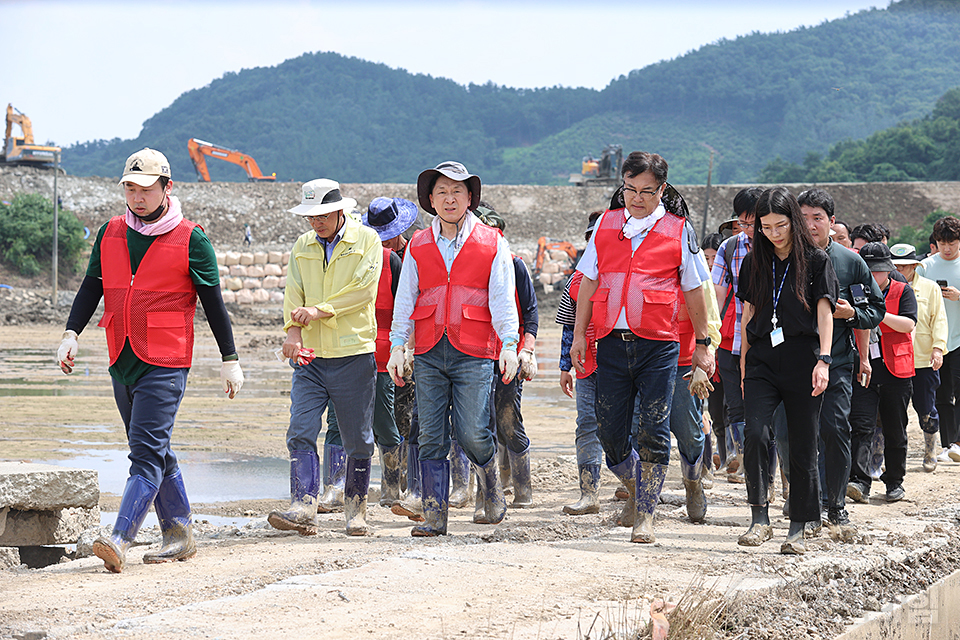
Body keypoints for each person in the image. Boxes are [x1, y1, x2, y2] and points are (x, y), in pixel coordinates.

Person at [57, 148, 244, 573]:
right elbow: (91, 288)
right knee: (153, 449)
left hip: (165, 358)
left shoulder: (191, 238)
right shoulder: (109, 233)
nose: (137, 197)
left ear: (167, 187)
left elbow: (213, 304)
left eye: (145, 189)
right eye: (129, 188)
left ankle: (119, 538)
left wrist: (229, 358)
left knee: (144, 454)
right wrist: (71, 333)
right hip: (120, 355)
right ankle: (179, 533)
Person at [570, 151, 713, 544]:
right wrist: (581, 334)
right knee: (610, 433)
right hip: (612, 343)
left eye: (646, 191)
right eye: (629, 189)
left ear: (661, 190)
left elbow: (694, 290)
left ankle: (646, 515)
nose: (636, 198)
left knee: (653, 428)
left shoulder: (677, 230)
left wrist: (702, 343)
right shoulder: (606, 225)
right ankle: (636, 489)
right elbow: (588, 282)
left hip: (659, 345)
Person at [387, 161, 520, 536]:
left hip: (475, 350)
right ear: (430, 199)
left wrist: (509, 343)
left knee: (473, 432)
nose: (449, 198)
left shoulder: (493, 242)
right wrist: (399, 344)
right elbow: (405, 299)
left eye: (457, 192)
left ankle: (491, 488)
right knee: (429, 434)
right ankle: (434, 515)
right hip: (430, 349)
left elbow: (503, 299)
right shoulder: (418, 245)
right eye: (442, 191)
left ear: (470, 199)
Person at [268, 179, 382, 537]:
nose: (315, 223)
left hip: (353, 354)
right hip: (311, 358)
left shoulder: (367, 242)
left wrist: (321, 310)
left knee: (357, 438)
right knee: (300, 429)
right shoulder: (302, 246)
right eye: (309, 216)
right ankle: (303, 504)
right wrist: (292, 331)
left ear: (339, 211)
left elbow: (363, 291)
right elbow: (293, 292)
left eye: (321, 215)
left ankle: (356, 508)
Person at [736, 187, 837, 556]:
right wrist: (745, 362)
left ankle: (798, 524)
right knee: (756, 435)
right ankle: (758, 518)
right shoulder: (753, 263)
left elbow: (824, 312)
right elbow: (748, 315)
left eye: (781, 225)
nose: (775, 233)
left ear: (793, 221)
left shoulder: (817, 261)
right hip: (762, 357)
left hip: (803, 358)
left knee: (802, 441)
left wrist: (824, 360)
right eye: (766, 227)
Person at [784, 188, 885, 528]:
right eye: (804, 218)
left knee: (834, 429)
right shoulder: (784, 258)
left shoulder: (849, 261)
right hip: (793, 363)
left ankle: (835, 503)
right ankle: (803, 501)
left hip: (838, 361)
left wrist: (851, 314)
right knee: (794, 435)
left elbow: (876, 309)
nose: (810, 226)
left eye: (818, 218)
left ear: (832, 220)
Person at [475, 202, 539, 508]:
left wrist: (527, 349)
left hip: (508, 356)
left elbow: (530, 312)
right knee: (479, 423)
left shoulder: (514, 265)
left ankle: (522, 489)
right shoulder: (464, 266)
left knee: (508, 420)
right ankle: (486, 492)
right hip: (474, 354)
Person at [848, 243, 917, 503]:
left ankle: (895, 481)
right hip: (862, 368)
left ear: (888, 270)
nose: (874, 276)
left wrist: (879, 314)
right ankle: (860, 481)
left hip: (896, 371)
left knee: (895, 429)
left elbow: (908, 323)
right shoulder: (854, 291)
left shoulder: (902, 290)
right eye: (868, 270)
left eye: (878, 271)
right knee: (861, 426)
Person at [711, 187, 763, 482]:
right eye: (743, 223)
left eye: (753, 223)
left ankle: (770, 469)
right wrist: (708, 338)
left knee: (766, 405)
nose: (748, 230)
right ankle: (745, 461)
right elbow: (717, 298)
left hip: (769, 342)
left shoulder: (783, 247)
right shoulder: (729, 248)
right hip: (732, 341)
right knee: (735, 405)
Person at [557, 212, 605, 514]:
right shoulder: (575, 282)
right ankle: (589, 493)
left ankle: (634, 486)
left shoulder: (626, 276)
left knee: (631, 425)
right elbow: (567, 326)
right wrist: (565, 367)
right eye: (591, 240)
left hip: (625, 363)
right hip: (586, 364)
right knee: (587, 424)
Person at [890, 243, 946, 472]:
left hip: (923, 359)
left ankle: (930, 449)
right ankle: (888, 458)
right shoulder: (886, 288)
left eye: (905, 266)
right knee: (892, 411)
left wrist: (938, 348)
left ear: (915, 266)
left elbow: (939, 319)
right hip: (895, 360)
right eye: (896, 266)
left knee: (925, 408)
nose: (901, 270)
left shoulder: (929, 288)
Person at [919, 216, 960, 463]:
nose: (947, 248)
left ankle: (958, 442)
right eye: (942, 243)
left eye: (952, 243)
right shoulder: (926, 267)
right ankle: (948, 443)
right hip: (937, 341)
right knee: (942, 393)